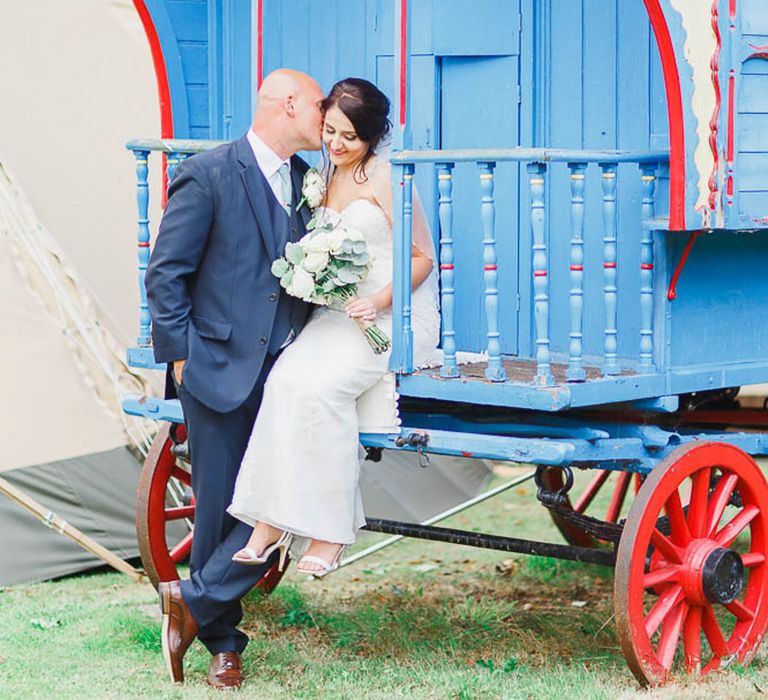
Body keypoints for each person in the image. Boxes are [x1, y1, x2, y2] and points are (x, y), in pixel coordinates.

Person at [144, 68, 325, 688]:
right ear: (288, 104)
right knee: (220, 511)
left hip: (293, 372)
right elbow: (165, 274)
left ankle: (191, 602)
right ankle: (224, 644)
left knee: (293, 495)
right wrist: (181, 360)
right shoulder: (210, 172)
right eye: (318, 106)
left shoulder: (310, 184)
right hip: (216, 369)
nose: (325, 118)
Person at [227, 78, 440, 575]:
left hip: (393, 318)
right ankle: (271, 520)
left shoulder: (388, 178)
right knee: (283, 383)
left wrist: (377, 300)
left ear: (372, 137)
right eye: (329, 131)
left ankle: (329, 534)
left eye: (350, 137)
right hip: (337, 315)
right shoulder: (320, 175)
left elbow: (422, 257)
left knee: (321, 391)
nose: (337, 145)